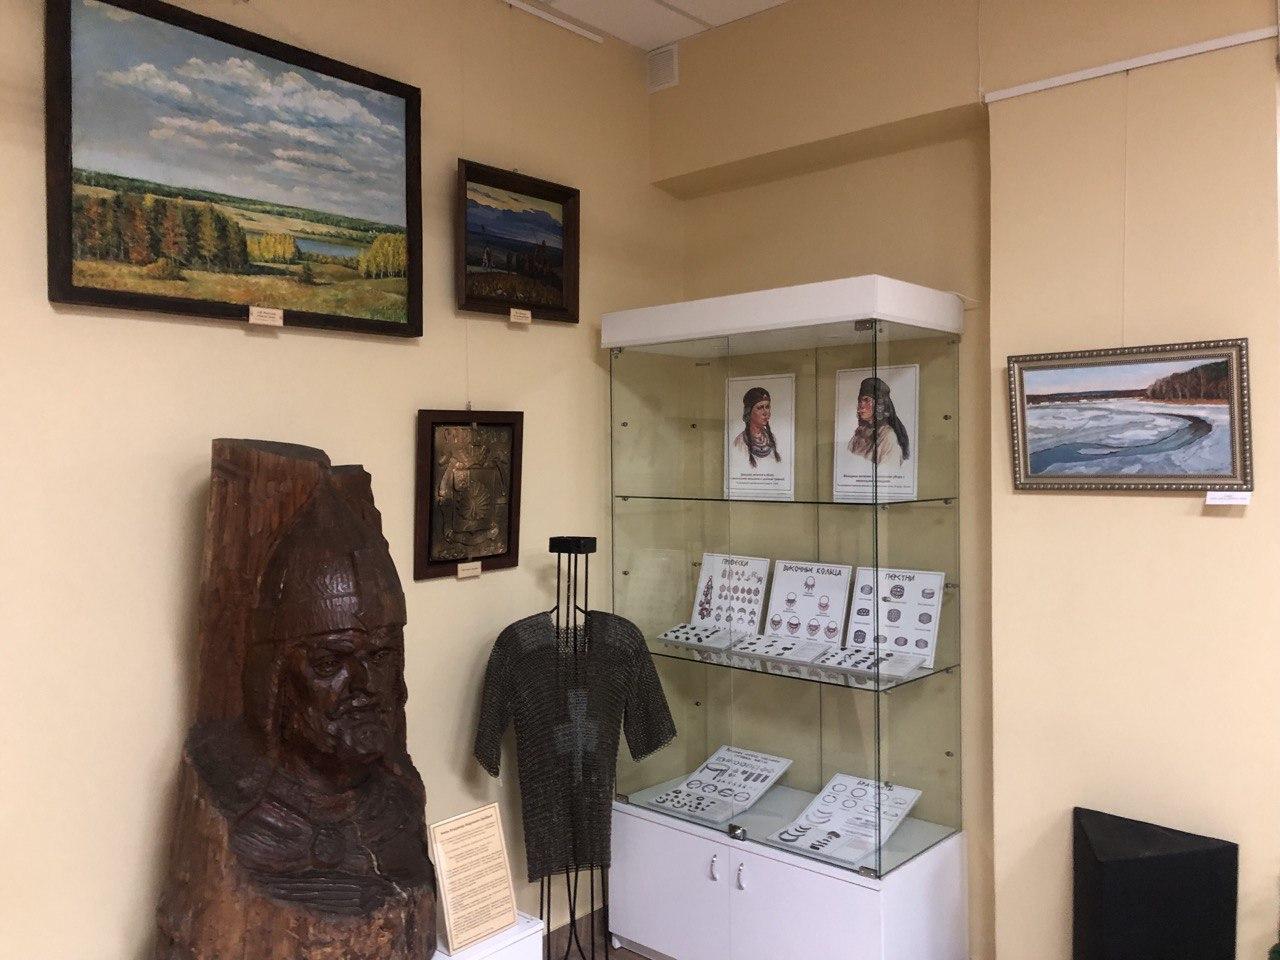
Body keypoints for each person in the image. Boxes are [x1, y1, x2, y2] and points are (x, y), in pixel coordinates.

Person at [848, 376, 910, 466]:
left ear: (879, 405)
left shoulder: (888, 436)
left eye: (866, 400)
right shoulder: (860, 431)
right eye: (860, 400)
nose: (861, 405)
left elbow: (888, 468)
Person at [732, 386, 783, 468]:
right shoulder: (740, 442)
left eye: (767, 407)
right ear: (749, 412)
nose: (765, 412)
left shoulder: (772, 438)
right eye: (760, 408)